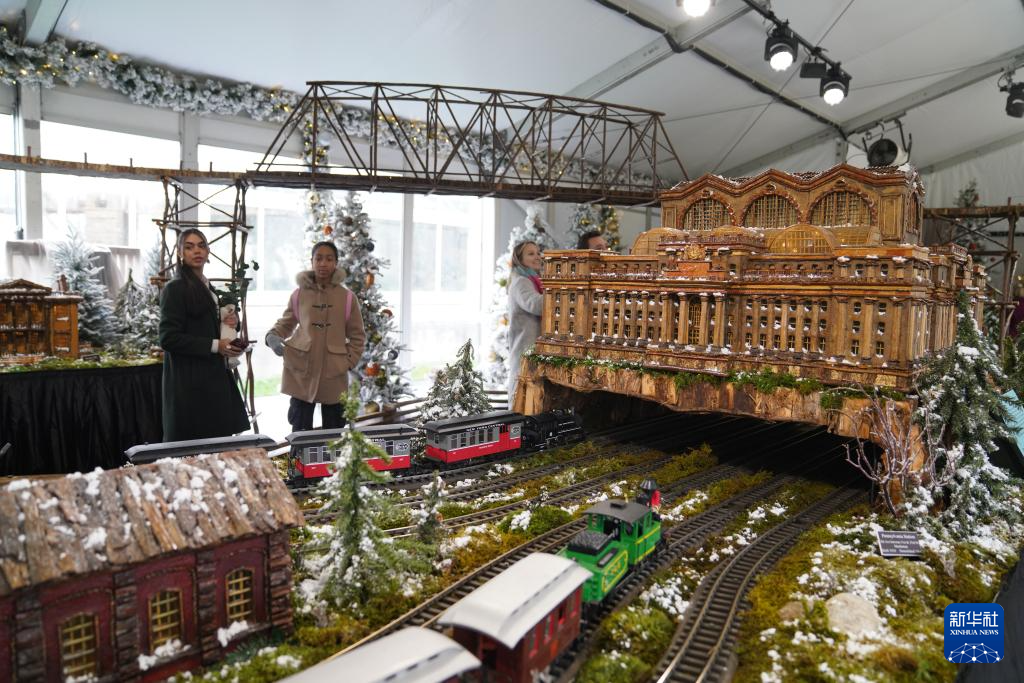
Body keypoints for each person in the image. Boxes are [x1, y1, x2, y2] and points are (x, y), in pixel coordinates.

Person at [159, 228, 250, 441]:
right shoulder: (174, 288)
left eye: (201, 246)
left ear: (208, 251)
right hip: (189, 383)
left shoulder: (208, 287)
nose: (197, 251)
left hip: (213, 378)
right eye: (189, 247)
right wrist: (216, 345)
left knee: (217, 446)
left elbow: (204, 326)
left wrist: (230, 323)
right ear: (180, 253)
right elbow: (168, 338)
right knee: (193, 450)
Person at [266, 241, 366, 432]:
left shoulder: (347, 298)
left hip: (334, 372)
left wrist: (348, 362)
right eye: (318, 258)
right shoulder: (299, 295)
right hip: (302, 370)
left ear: (336, 263)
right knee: (300, 429)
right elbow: (286, 323)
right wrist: (273, 336)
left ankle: (331, 454)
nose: (323, 263)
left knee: (334, 431)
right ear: (311, 261)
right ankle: (300, 453)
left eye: (329, 259)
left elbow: (357, 336)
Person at [507, 240, 544, 405]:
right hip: (525, 346)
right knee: (522, 394)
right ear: (519, 259)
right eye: (531, 254)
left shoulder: (533, 280)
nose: (537, 257)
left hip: (532, 347)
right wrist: (558, 294)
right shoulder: (521, 281)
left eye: (538, 253)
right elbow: (535, 305)